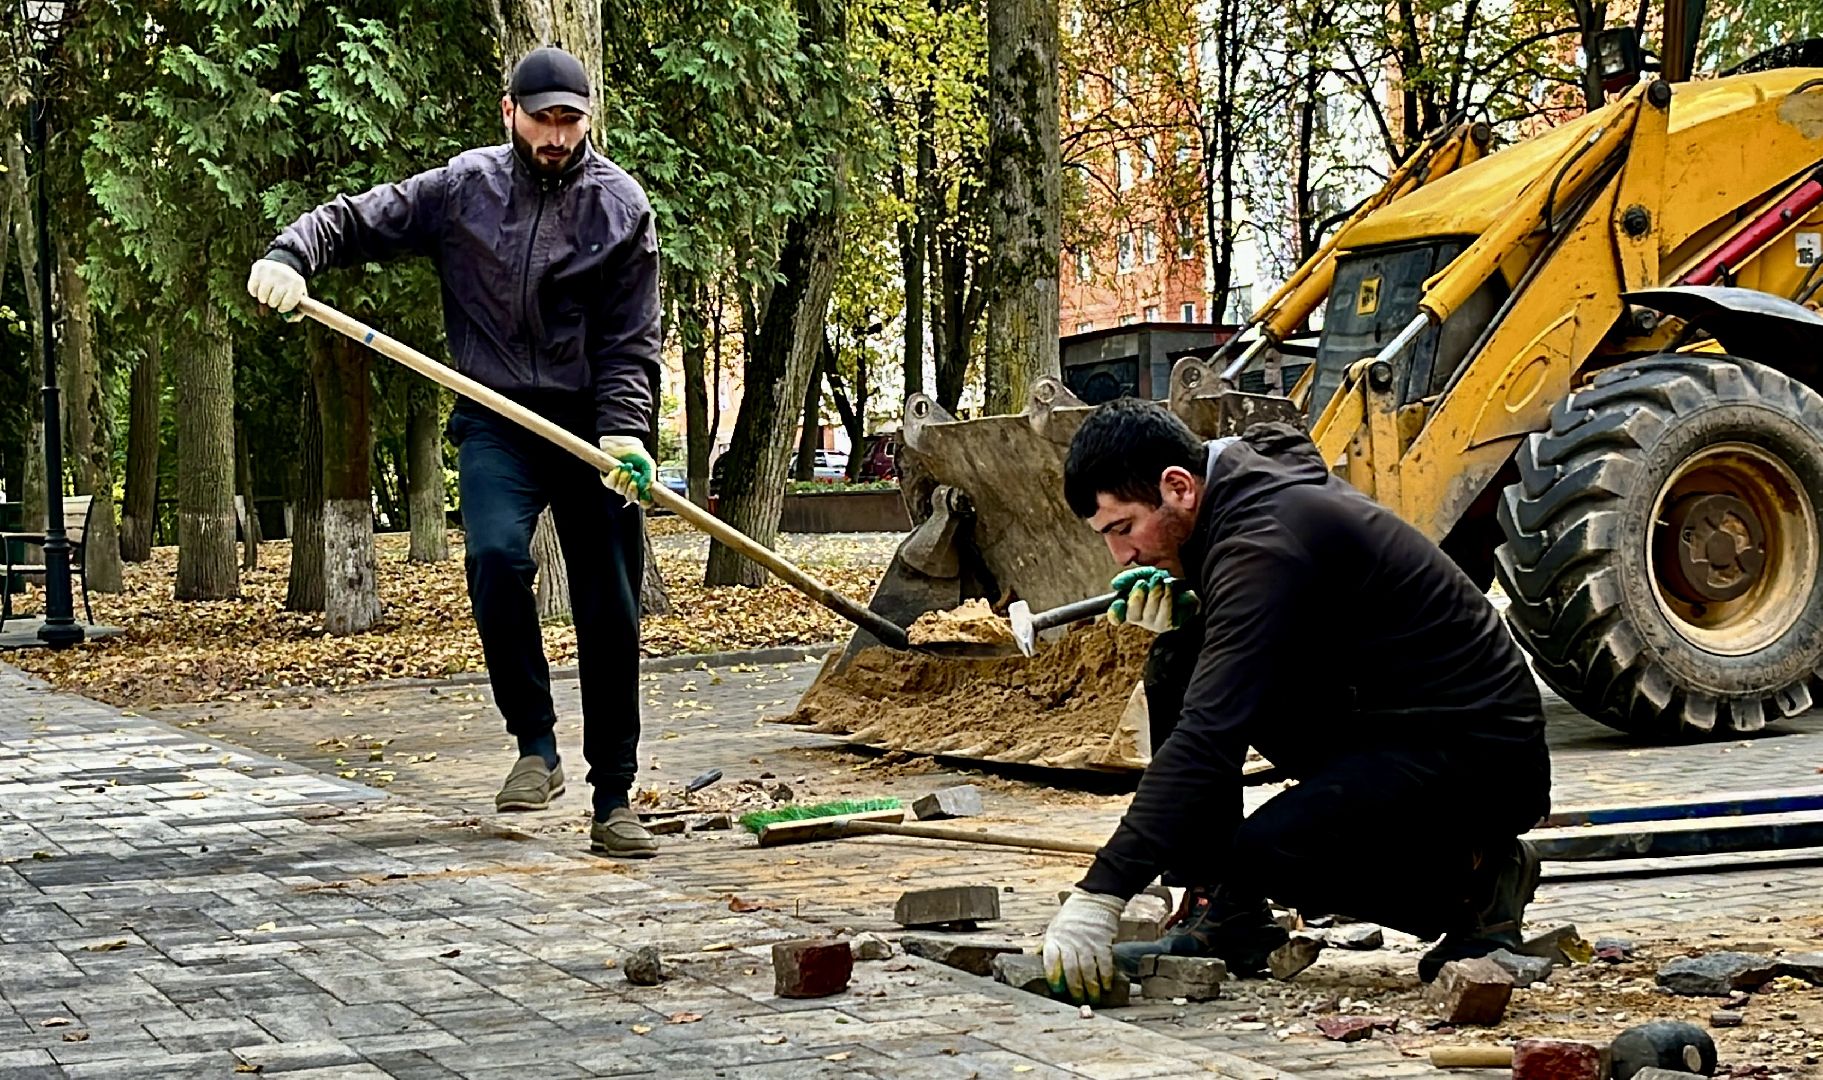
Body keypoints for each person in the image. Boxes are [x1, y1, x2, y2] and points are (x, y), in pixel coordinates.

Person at [246, 46, 662, 857]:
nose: (555, 135)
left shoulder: (620, 207)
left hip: (590, 427)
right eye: (541, 119)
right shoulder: (464, 188)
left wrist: (623, 429)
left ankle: (613, 796)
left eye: (570, 120)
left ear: (588, 119)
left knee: (608, 604)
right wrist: (290, 255)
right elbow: (353, 219)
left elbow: (631, 336)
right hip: (497, 417)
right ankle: (534, 745)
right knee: (496, 558)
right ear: (509, 112)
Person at [1041, 398, 1550, 1004]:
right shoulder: (1242, 495)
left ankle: (1479, 882)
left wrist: (1102, 893)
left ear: (1178, 487)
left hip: (1478, 752)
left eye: (1123, 529)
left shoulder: (1264, 537)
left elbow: (1207, 737)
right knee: (1180, 658)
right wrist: (1198, 606)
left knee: (1273, 851)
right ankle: (1225, 913)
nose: (1121, 556)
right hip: (1391, 714)